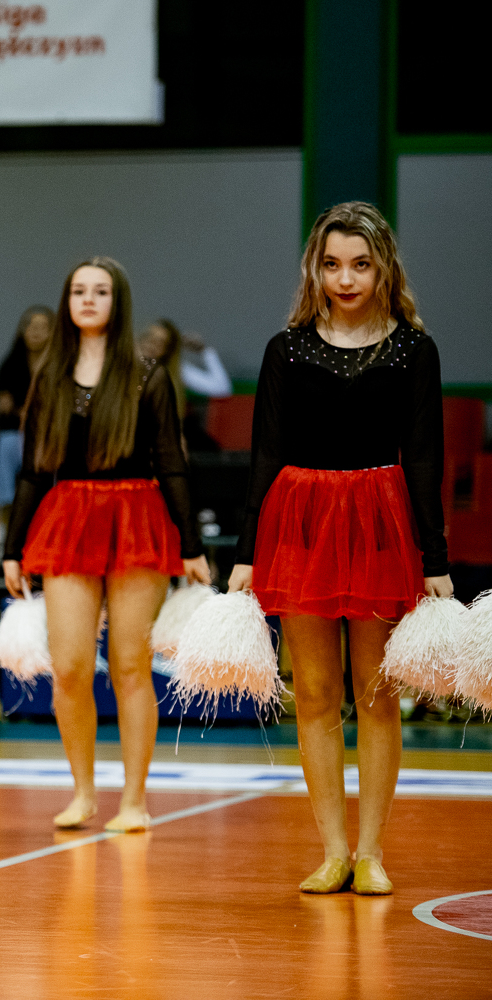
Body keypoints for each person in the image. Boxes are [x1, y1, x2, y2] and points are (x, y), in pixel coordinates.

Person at [229, 202, 448, 896]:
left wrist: (436, 559)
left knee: (377, 694)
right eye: (331, 264)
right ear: (314, 271)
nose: (345, 278)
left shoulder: (414, 350)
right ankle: (332, 851)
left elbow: (424, 459)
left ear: (384, 269)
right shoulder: (286, 349)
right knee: (317, 694)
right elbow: (265, 455)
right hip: (301, 524)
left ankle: (372, 852)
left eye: (359, 264)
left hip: (381, 524)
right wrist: (246, 552)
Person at [3, 256, 209, 833]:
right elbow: (32, 471)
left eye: (100, 291)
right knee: (70, 668)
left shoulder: (147, 376)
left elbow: (171, 464)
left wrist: (191, 544)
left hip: (136, 516)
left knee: (130, 666)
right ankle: (83, 794)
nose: (88, 299)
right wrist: (12, 549)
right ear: (67, 302)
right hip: (68, 517)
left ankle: (135, 801)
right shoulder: (48, 376)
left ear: (118, 303)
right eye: (78, 291)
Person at [0, 305, 54, 511]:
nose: (35, 332)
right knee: (6, 444)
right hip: (18, 431)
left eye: (42, 327)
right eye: (30, 326)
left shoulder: (60, 365)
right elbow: (4, 406)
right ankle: (5, 508)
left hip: (51, 433)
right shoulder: (10, 364)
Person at [137, 319, 233, 399]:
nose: (151, 345)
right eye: (148, 337)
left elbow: (222, 389)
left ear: (167, 351)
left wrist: (204, 351)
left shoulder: (172, 370)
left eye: (160, 342)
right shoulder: (129, 362)